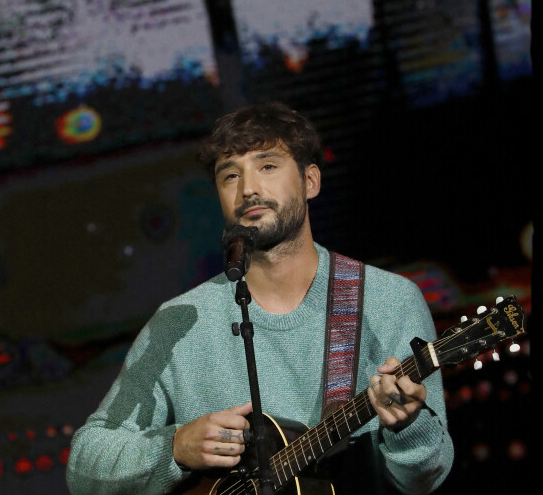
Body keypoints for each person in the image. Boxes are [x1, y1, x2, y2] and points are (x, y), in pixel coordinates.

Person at [66, 101, 454, 495]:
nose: (248, 188)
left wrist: (408, 426)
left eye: (267, 166)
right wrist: (175, 447)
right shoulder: (180, 321)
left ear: (311, 181)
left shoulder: (386, 301)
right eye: (230, 175)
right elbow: (85, 466)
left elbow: (425, 479)